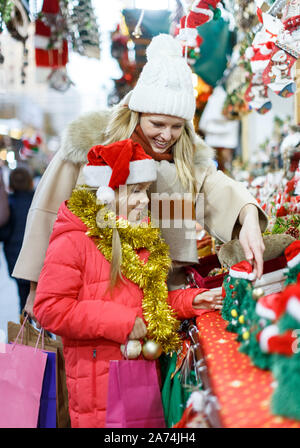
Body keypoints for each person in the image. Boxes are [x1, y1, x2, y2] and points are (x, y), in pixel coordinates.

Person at [13, 33, 268, 321]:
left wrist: (248, 217)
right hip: (96, 299)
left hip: (165, 300)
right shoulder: (90, 144)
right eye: (157, 123)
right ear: (136, 114)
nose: (166, 135)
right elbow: (49, 214)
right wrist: (36, 287)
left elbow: (218, 188)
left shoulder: (185, 159)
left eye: (176, 126)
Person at [33, 140, 223, 428]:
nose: (144, 201)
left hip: (140, 377)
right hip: (99, 390)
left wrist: (189, 301)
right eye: (135, 191)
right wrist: (121, 321)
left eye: (145, 191)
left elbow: (147, 303)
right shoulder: (74, 239)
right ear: (107, 193)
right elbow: (49, 308)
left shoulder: (139, 237)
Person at [0, 167, 34, 313]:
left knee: (22, 298)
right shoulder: (37, 200)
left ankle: (25, 332)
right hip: (37, 259)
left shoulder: (9, 204)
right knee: (42, 299)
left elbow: (4, 234)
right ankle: (46, 333)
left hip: (17, 260)